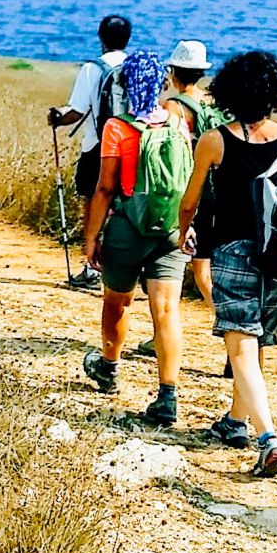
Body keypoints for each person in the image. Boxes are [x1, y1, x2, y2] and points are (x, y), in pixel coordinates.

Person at [174, 50, 277, 475]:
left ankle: (269, 437)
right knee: (257, 345)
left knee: (240, 344)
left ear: (230, 91)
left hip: (233, 250)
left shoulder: (215, 140)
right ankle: (236, 421)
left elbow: (190, 201)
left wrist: (185, 233)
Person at [77, 50, 193, 426]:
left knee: (117, 302)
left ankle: (110, 368)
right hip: (171, 228)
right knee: (166, 311)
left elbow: (106, 187)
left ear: (125, 84)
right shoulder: (178, 124)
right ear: (162, 83)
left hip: (128, 226)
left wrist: (91, 237)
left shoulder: (118, 127)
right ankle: (168, 395)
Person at [47, 15, 131, 290]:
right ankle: (127, 266)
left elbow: (77, 111)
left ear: (101, 37)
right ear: (127, 38)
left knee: (93, 204)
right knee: (126, 207)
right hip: (132, 147)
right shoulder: (136, 67)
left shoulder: (91, 69)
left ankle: (92, 268)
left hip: (97, 146)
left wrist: (57, 119)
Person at [164, 40, 225, 309]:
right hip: (223, 190)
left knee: (201, 272)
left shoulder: (173, 108)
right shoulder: (214, 103)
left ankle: (230, 327)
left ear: (174, 72)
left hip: (193, 189)